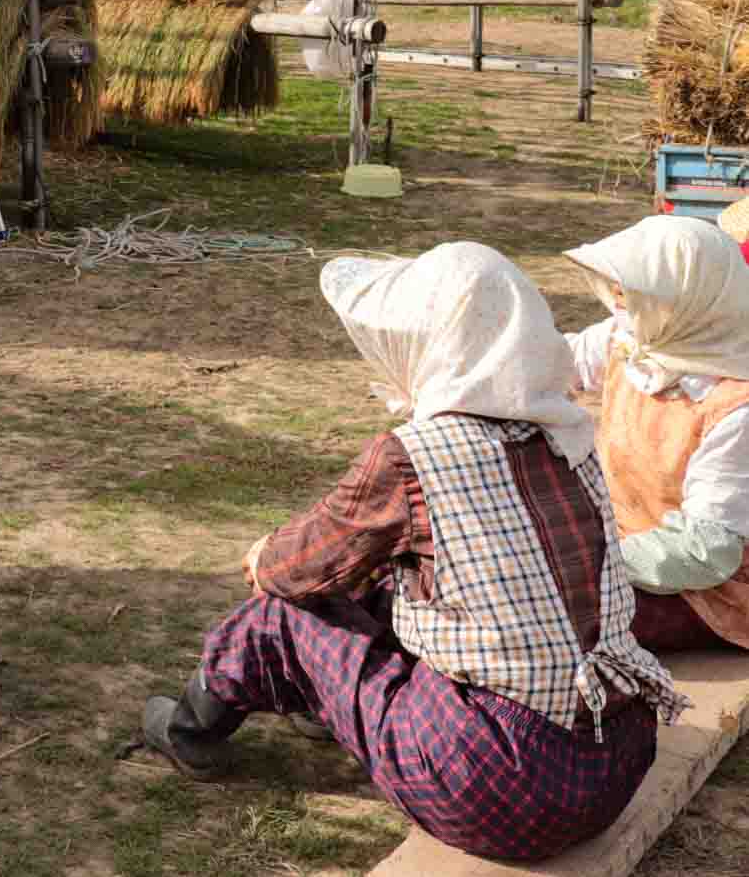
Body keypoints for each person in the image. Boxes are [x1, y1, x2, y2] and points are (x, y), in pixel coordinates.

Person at [139, 244, 682, 862]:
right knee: (391, 588)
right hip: (618, 763)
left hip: (502, 791)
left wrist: (265, 557)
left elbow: (296, 570)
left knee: (281, 614)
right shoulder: (570, 439)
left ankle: (189, 730)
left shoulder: (413, 458)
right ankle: (322, 708)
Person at [564, 215, 749, 652]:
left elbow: (707, 551)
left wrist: (587, 562)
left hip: (715, 592)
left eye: (636, 287)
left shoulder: (735, 406)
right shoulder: (634, 342)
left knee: (554, 620)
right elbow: (552, 365)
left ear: (688, 297)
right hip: (630, 553)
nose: (618, 296)